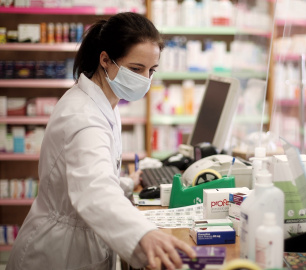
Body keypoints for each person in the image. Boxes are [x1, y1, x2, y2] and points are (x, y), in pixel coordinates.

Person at [6, 12, 196, 270]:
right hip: (59, 253)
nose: (145, 79)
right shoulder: (84, 116)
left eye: (151, 70)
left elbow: (86, 172)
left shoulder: (104, 102)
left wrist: (127, 182)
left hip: (77, 239)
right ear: (105, 60)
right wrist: (144, 233)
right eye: (136, 69)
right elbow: (92, 190)